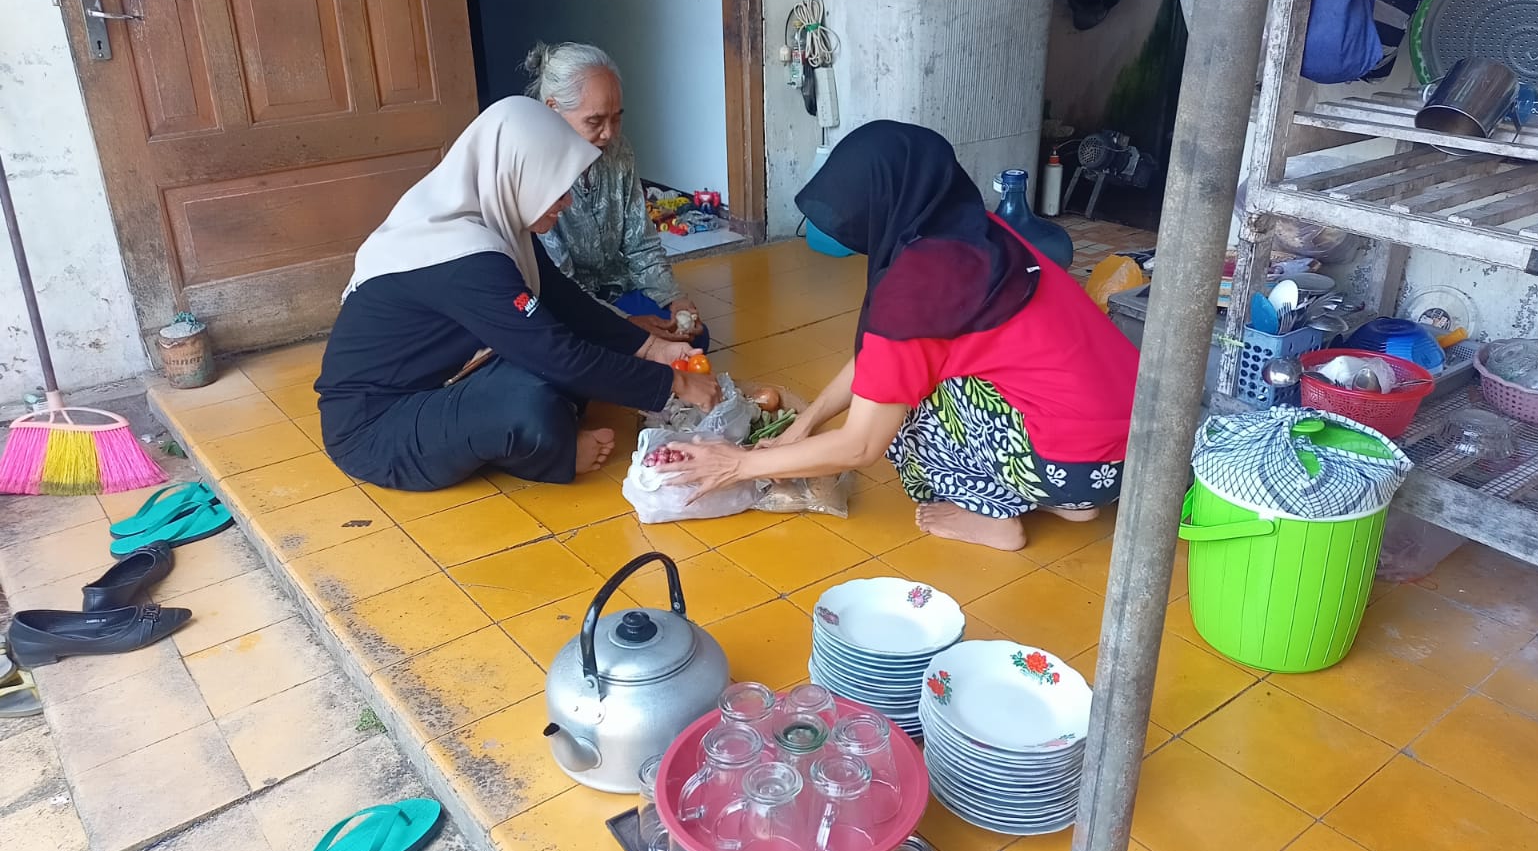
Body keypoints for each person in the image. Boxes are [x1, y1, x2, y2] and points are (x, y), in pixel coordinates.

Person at [661, 121, 1139, 552]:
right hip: (1130, 444)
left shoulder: (920, 288)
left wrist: (738, 464)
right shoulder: (973, 232)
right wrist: (801, 427)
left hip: (1074, 459)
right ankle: (1065, 496)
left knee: (907, 411)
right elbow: (879, 356)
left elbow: (860, 445)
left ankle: (996, 519)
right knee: (912, 373)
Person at [315, 98, 719, 492]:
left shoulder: (497, 222)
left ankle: (537, 425)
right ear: (517, 177)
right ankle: (555, 452)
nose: (567, 202)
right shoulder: (460, 254)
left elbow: (564, 301)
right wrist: (675, 385)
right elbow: (556, 353)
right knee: (531, 407)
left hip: (435, 386)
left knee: (569, 365)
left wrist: (653, 349)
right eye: (557, 189)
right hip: (376, 428)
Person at [524, 41, 709, 349]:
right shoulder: (532, 170)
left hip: (616, 289)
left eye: (616, 118)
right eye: (595, 121)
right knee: (597, 349)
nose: (609, 133)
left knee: (691, 337)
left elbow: (642, 244)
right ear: (552, 109)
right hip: (565, 306)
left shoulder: (618, 152)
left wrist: (674, 298)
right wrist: (622, 324)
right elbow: (558, 284)